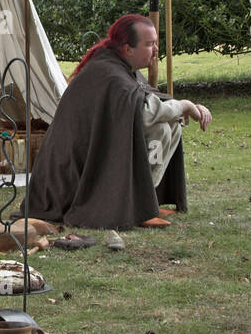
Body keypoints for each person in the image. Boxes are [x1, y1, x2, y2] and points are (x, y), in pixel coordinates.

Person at [25, 13, 212, 234]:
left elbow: (147, 104)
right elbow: (144, 114)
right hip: (73, 172)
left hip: (96, 154)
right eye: (150, 44)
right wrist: (184, 106)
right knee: (160, 127)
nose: (155, 50)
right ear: (128, 48)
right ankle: (140, 208)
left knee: (170, 125)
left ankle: (144, 203)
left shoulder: (119, 67)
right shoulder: (109, 73)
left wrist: (183, 109)